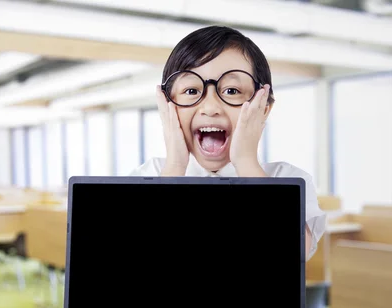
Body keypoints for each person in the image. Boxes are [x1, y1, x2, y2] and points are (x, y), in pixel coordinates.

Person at [130, 25, 326, 260]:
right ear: (167, 106)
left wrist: (245, 161)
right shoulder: (148, 176)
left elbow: (289, 258)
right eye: (191, 90)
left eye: (232, 90)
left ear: (263, 108)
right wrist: (174, 167)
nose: (211, 108)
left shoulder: (288, 181)